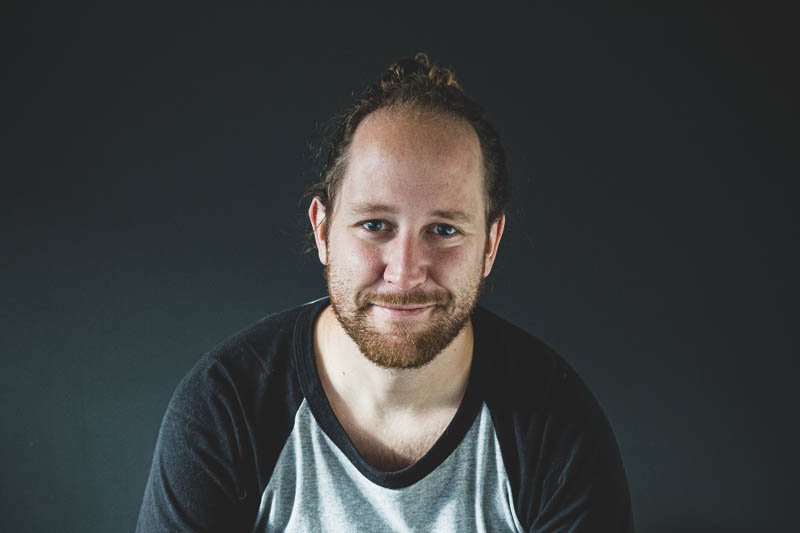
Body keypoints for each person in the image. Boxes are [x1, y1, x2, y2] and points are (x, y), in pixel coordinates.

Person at [136, 53, 634, 532]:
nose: (405, 273)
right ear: (323, 230)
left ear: (490, 244)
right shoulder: (226, 406)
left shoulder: (557, 425)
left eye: (444, 230)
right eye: (375, 224)